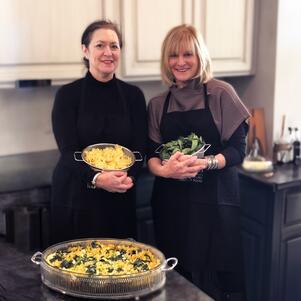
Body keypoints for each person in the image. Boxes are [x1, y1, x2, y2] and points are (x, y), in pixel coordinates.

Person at [147, 24, 250, 301]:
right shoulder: (158, 104)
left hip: (214, 208)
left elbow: (239, 149)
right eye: (173, 55)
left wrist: (207, 163)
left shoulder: (221, 93)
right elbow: (151, 155)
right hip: (171, 207)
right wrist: (165, 170)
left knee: (214, 284)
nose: (180, 62)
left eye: (187, 54)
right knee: (176, 282)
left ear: (200, 56)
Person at [51, 20, 147, 244]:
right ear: (85, 50)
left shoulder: (133, 95)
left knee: (119, 268)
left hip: (119, 198)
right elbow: (68, 152)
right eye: (100, 45)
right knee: (77, 269)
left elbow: (140, 149)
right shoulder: (67, 96)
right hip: (76, 197)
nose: (108, 53)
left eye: (114, 46)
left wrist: (128, 177)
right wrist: (96, 178)